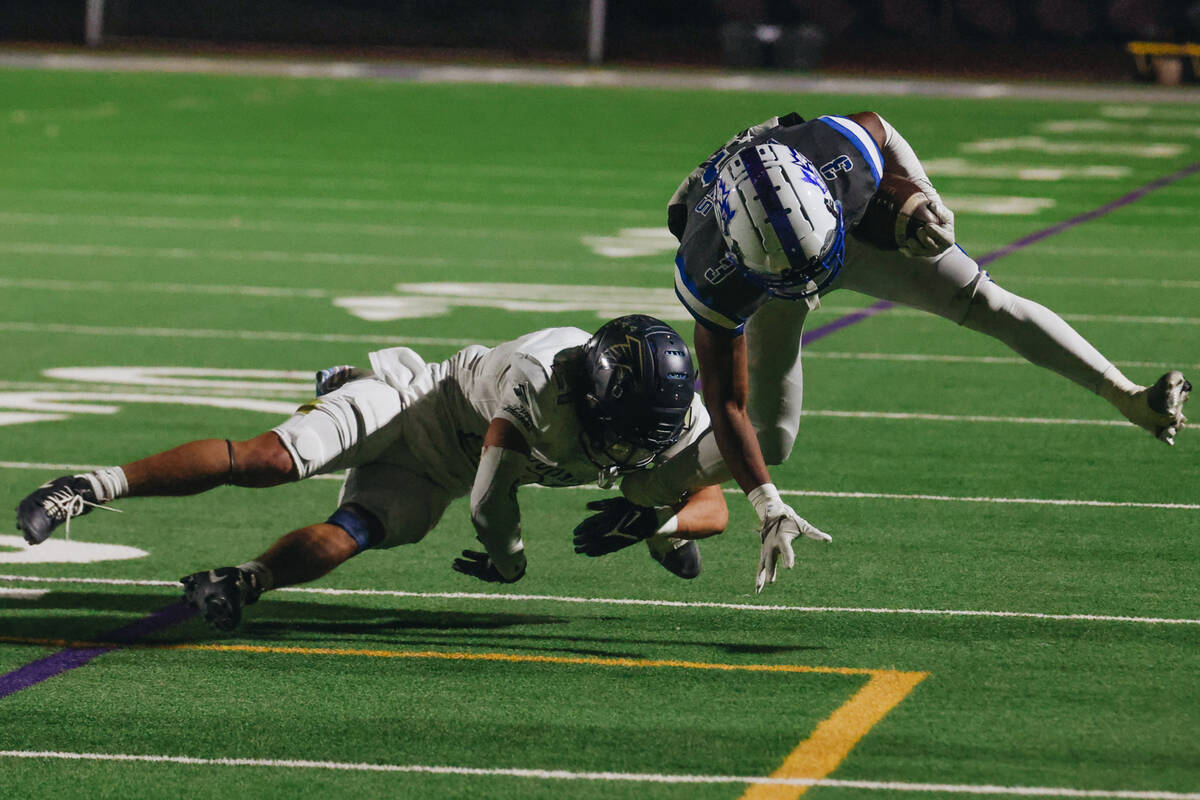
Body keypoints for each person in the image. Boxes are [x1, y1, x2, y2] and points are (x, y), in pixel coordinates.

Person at [624, 110, 1191, 593]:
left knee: (984, 300)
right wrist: (766, 503)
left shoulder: (839, 159)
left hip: (833, 227)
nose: (811, 286)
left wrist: (924, 196)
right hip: (764, 268)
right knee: (771, 438)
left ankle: (1127, 396)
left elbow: (882, 128)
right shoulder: (712, 270)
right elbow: (726, 405)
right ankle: (648, 489)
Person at [14, 315, 728, 630]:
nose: (630, 444)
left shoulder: (669, 415)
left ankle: (242, 582)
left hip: (437, 475)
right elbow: (489, 499)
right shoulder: (542, 377)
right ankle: (85, 487)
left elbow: (713, 505)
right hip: (410, 407)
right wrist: (509, 563)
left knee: (354, 529)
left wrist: (662, 521)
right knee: (269, 460)